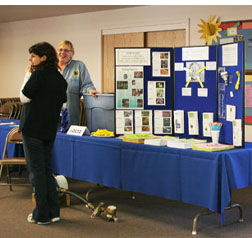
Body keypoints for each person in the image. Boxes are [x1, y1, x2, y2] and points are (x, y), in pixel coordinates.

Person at [19, 42, 68, 225]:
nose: (30, 59)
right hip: (49, 130)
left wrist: (28, 73)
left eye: (33, 56)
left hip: (32, 130)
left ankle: (41, 215)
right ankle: (54, 212)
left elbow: (24, 97)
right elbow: (63, 104)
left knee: (36, 173)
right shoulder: (59, 78)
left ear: (43, 57)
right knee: (47, 170)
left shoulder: (37, 74)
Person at [57, 40, 98, 127]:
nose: (62, 52)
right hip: (51, 116)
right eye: (60, 50)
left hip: (70, 115)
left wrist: (90, 90)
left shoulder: (78, 66)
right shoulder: (51, 68)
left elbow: (86, 85)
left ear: (72, 53)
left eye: (66, 50)